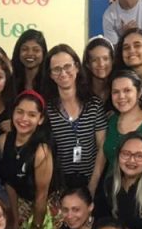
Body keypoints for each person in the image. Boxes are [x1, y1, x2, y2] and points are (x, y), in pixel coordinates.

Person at [0, 90, 58, 229]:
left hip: (43, 209)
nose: (24, 119)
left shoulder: (41, 152)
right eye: (20, 112)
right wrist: (13, 218)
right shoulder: (4, 141)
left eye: (32, 115)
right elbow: (9, 181)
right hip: (19, 202)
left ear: (40, 120)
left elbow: (42, 195)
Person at [44, 44, 107, 193]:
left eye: (68, 66)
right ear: (50, 74)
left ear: (77, 67)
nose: (63, 73)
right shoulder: (46, 110)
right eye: (56, 69)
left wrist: (92, 185)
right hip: (58, 186)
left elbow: (102, 147)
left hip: (92, 182)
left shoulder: (94, 104)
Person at [103, 70, 142, 171]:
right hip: (110, 185)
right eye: (116, 92)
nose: (121, 96)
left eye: (127, 90)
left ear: (139, 92)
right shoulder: (112, 121)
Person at [12, 29, 47, 95]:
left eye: (36, 50)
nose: (30, 54)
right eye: (25, 49)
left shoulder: (50, 82)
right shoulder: (10, 81)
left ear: (43, 53)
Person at [84, 36, 115, 108]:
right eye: (95, 60)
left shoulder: (119, 89)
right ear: (87, 64)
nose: (101, 64)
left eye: (105, 59)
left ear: (112, 61)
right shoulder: (80, 92)